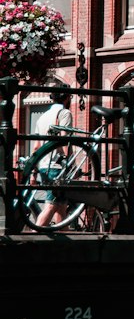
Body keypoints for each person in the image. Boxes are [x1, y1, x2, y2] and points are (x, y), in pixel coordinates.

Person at [32, 84, 75, 229]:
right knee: (51, 205)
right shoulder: (64, 113)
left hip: (43, 166)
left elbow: (37, 147)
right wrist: (72, 165)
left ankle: (64, 241)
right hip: (57, 166)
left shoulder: (42, 117)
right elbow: (64, 141)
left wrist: (34, 173)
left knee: (61, 206)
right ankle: (32, 238)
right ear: (67, 97)